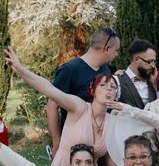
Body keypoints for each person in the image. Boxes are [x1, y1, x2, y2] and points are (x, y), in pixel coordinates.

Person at [46, 27, 120, 158]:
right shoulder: (70, 70)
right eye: (116, 50)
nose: (117, 55)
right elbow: (52, 106)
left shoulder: (106, 71)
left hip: (102, 146)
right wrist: (57, 143)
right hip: (75, 149)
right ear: (107, 48)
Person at [116, 39, 157, 109]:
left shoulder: (153, 81)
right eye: (149, 61)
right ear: (136, 59)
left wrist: (157, 84)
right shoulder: (117, 81)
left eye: (154, 61)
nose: (152, 66)